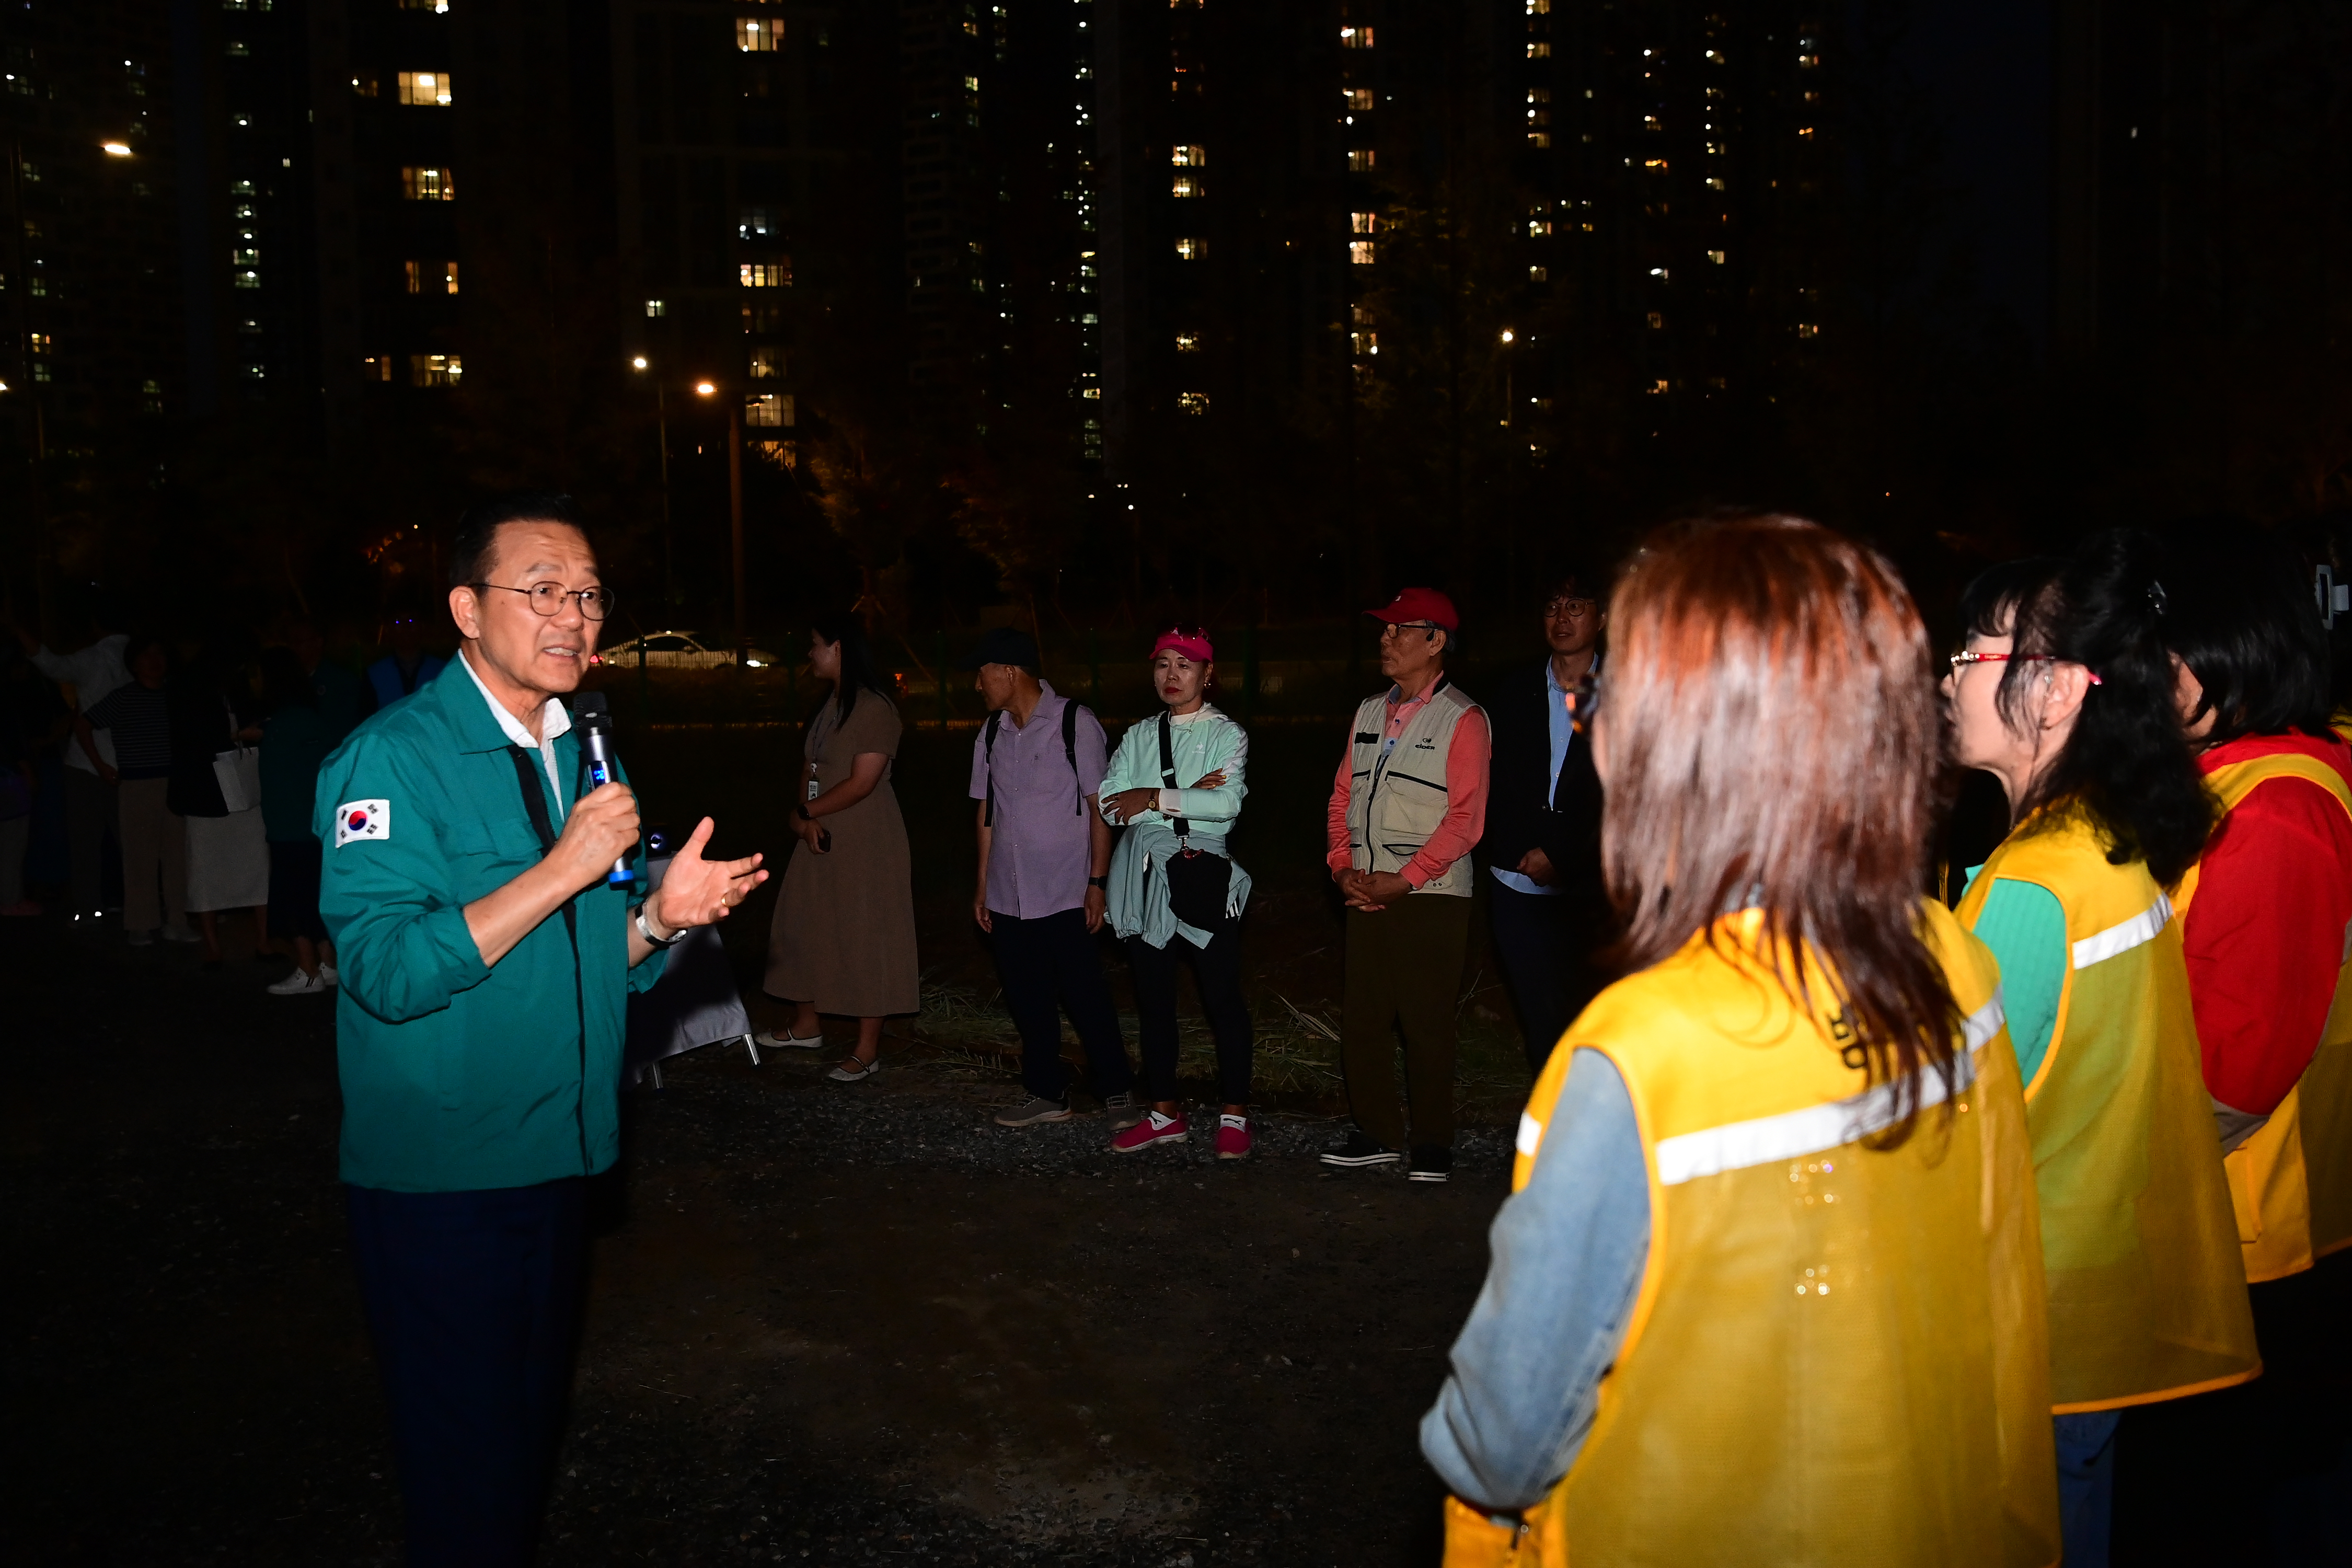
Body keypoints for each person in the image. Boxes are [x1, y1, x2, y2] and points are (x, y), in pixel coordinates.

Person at [1425, 515, 2059, 1566]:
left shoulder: (1642, 1052)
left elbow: (1504, 1440)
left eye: (1616, 698)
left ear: (1679, 747)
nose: (1595, 723)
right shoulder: (1950, 955)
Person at [317, 491, 766, 1565]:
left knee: (521, 1445)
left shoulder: (576, 751)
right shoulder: (392, 760)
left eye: (590, 594)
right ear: (468, 610)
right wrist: (564, 868)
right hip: (446, 1178)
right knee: (464, 1465)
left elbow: (572, 950)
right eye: (543, 591)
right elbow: (384, 970)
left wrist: (658, 918)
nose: (574, 615)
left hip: (560, 1156)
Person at [1945, 533, 2257, 1568]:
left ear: (2059, 692)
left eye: (1976, 655)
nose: (1950, 679)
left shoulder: (2031, 888)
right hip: (2087, 1294)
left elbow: (1947, 1122)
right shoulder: (2102, 847)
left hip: (2024, 1312)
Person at [1320, 588, 1490, 1183]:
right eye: (1384, 629)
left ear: (1436, 640)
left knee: (1426, 1022)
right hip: (1365, 887)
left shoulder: (1463, 719)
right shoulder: (1369, 711)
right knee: (1364, 1018)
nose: (1386, 638)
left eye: (1399, 629)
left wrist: (1408, 879)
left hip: (1432, 896)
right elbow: (1342, 795)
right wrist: (1342, 867)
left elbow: (1466, 819)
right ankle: (1378, 1133)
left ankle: (1433, 1143)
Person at [963, 625, 1139, 1129]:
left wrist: (1097, 882)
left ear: (1009, 672)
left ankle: (1117, 1090)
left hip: (1064, 890)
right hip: (1008, 891)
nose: (978, 686)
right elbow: (986, 811)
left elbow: (1099, 807)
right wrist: (982, 884)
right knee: (1027, 997)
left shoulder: (1074, 724)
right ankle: (1047, 1091)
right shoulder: (992, 731)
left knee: (1085, 995)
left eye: (983, 674)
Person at [1097, 628, 1256, 1158]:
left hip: (1203, 871)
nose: (1172, 676)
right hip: (1143, 875)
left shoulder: (1226, 734)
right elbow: (1108, 804)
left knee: (1222, 996)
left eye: (1184, 666)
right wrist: (1185, 797)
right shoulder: (1140, 734)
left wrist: (1152, 795)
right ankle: (1165, 1111)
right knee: (1153, 999)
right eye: (1163, 664)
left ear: (1208, 674)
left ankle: (1234, 1114)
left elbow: (1227, 805)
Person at [758, 613, 919, 1081]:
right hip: (822, 832)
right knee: (802, 921)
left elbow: (862, 782)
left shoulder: (875, 708)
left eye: (815, 644)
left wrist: (809, 815)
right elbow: (811, 769)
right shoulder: (831, 705)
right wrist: (801, 815)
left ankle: (867, 1048)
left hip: (865, 836)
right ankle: (807, 1023)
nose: (810, 653)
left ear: (840, 649)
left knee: (866, 933)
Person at [1479, 572, 1610, 1075]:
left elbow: (1624, 795)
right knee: (1540, 1020)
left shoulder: (1624, 694)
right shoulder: (1513, 691)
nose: (1563, 618)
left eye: (1576, 606)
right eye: (1553, 607)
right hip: (1515, 880)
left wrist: (1565, 856)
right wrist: (1524, 851)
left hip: (1591, 888)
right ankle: (1551, 1129)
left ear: (1601, 617)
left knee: (1591, 1018)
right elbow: (1493, 781)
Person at [13, 608, 129, 925]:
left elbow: (52, 664)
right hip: (128, 762)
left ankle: (91, 909)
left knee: (86, 844)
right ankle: (138, 906)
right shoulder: (138, 657)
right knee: (132, 843)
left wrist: (15, 626)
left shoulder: (95, 658)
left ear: (96, 624)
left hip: (87, 764)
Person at [80, 636, 195, 947]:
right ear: (133, 664)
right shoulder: (123, 697)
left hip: (174, 783)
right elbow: (83, 725)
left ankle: (177, 920)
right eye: (146, 656)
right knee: (139, 857)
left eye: (159, 654)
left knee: (177, 856)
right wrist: (101, 766)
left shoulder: (176, 697)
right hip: (137, 785)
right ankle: (141, 923)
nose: (154, 661)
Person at [172, 642, 269, 968]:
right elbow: (191, 739)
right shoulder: (189, 693)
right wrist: (237, 734)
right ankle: (213, 946)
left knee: (257, 865)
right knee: (205, 870)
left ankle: (264, 940)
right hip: (205, 794)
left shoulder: (241, 692)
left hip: (245, 790)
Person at [257, 645, 344, 994]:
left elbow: (280, 780)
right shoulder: (315, 718)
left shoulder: (279, 726)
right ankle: (328, 964)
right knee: (315, 893)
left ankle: (307, 969)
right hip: (318, 824)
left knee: (292, 896)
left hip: (289, 824)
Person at [366, 608, 449, 711]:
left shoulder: (442, 671)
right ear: (388, 629)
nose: (406, 627)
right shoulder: (375, 674)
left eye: (411, 620)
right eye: (398, 621)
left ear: (422, 627)